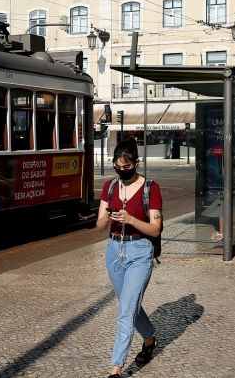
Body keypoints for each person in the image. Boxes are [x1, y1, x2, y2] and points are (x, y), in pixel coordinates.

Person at [95, 139, 163, 377]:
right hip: (114, 251)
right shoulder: (110, 187)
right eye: (117, 165)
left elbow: (155, 229)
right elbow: (99, 226)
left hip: (140, 251)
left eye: (127, 166)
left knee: (125, 310)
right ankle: (149, 338)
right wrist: (108, 218)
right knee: (129, 303)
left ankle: (116, 368)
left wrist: (132, 220)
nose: (122, 170)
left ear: (136, 163)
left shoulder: (150, 188)